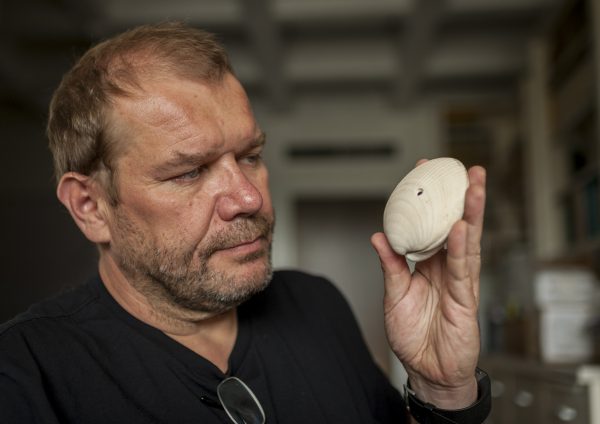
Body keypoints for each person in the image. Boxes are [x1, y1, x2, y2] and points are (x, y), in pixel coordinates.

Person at [0, 22, 490, 423]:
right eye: (189, 171)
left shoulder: (317, 305)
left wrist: (442, 389)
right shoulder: (26, 374)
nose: (249, 197)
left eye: (250, 155)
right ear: (90, 206)